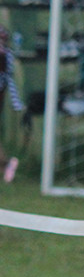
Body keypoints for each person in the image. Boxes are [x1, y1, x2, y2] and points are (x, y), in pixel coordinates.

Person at [0, 26, 24, 182]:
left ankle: (7, 163)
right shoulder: (7, 54)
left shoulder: (3, 54)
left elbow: (6, 79)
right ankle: (6, 165)